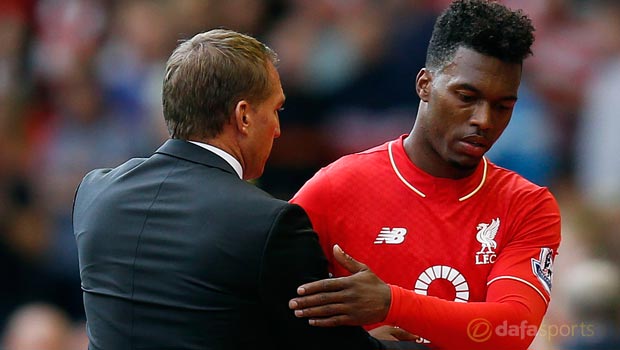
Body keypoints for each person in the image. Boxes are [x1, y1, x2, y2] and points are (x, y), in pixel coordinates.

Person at [72, 29, 423, 350]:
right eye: (276, 109)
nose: (278, 129)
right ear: (243, 117)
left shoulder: (95, 193)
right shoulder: (269, 224)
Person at [288, 1, 561, 349]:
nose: (484, 120)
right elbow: (269, 307)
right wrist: (356, 343)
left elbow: (514, 328)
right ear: (425, 84)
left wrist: (391, 304)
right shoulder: (335, 187)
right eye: (466, 96)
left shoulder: (527, 205)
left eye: (502, 106)